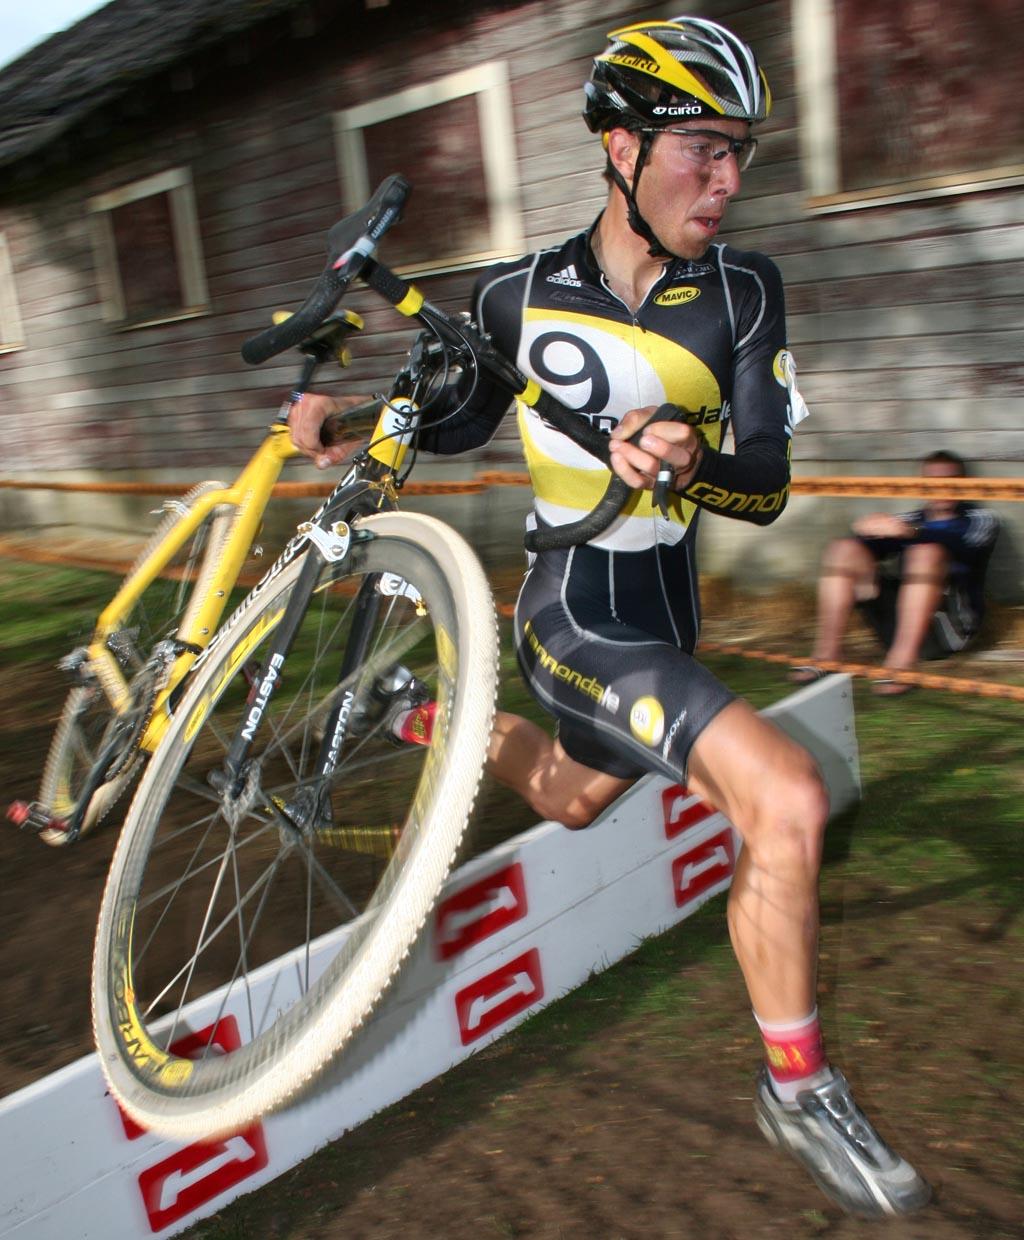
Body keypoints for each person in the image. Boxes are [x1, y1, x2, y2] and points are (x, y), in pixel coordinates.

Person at [290, 16, 930, 1218]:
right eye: (702, 147)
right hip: (573, 615)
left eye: (741, 151)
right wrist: (339, 425)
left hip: (664, 622)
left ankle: (420, 708)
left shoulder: (744, 290)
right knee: (783, 797)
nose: (729, 179)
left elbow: (767, 484)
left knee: (575, 801)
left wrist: (690, 466)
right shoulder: (513, 296)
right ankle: (796, 1087)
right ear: (621, 147)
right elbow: (434, 420)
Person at [793, 451, 999, 694]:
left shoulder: (981, 519)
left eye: (950, 479)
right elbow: (867, 547)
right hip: (895, 627)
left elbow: (960, 542)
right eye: (932, 480)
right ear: (921, 484)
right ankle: (827, 654)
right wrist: (866, 530)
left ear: (964, 484)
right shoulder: (909, 519)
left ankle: (903, 665)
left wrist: (910, 532)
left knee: (926, 553)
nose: (941, 487)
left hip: (948, 633)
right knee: (843, 548)